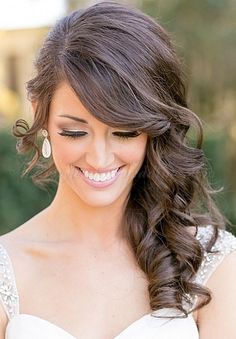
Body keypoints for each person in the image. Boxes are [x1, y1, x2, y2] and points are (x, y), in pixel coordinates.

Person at [0, 1, 236, 338]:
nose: (99, 158)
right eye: (75, 132)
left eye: (124, 132)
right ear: (41, 113)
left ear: (154, 130)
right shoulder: (5, 270)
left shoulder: (214, 264)